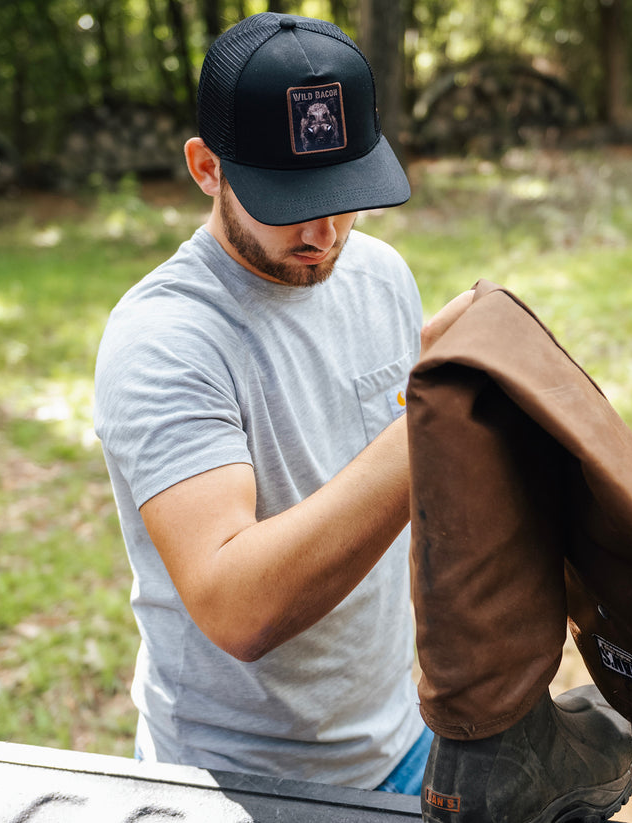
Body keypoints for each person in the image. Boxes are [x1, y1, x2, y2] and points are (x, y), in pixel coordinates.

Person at [94, 11, 471, 794]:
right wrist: (431, 416)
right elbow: (238, 607)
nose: (325, 230)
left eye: (346, 192)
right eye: (288, 196)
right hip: (235, 779)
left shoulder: (379, 275)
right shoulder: (165, 337)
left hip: (400, 735)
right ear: (207, 167)